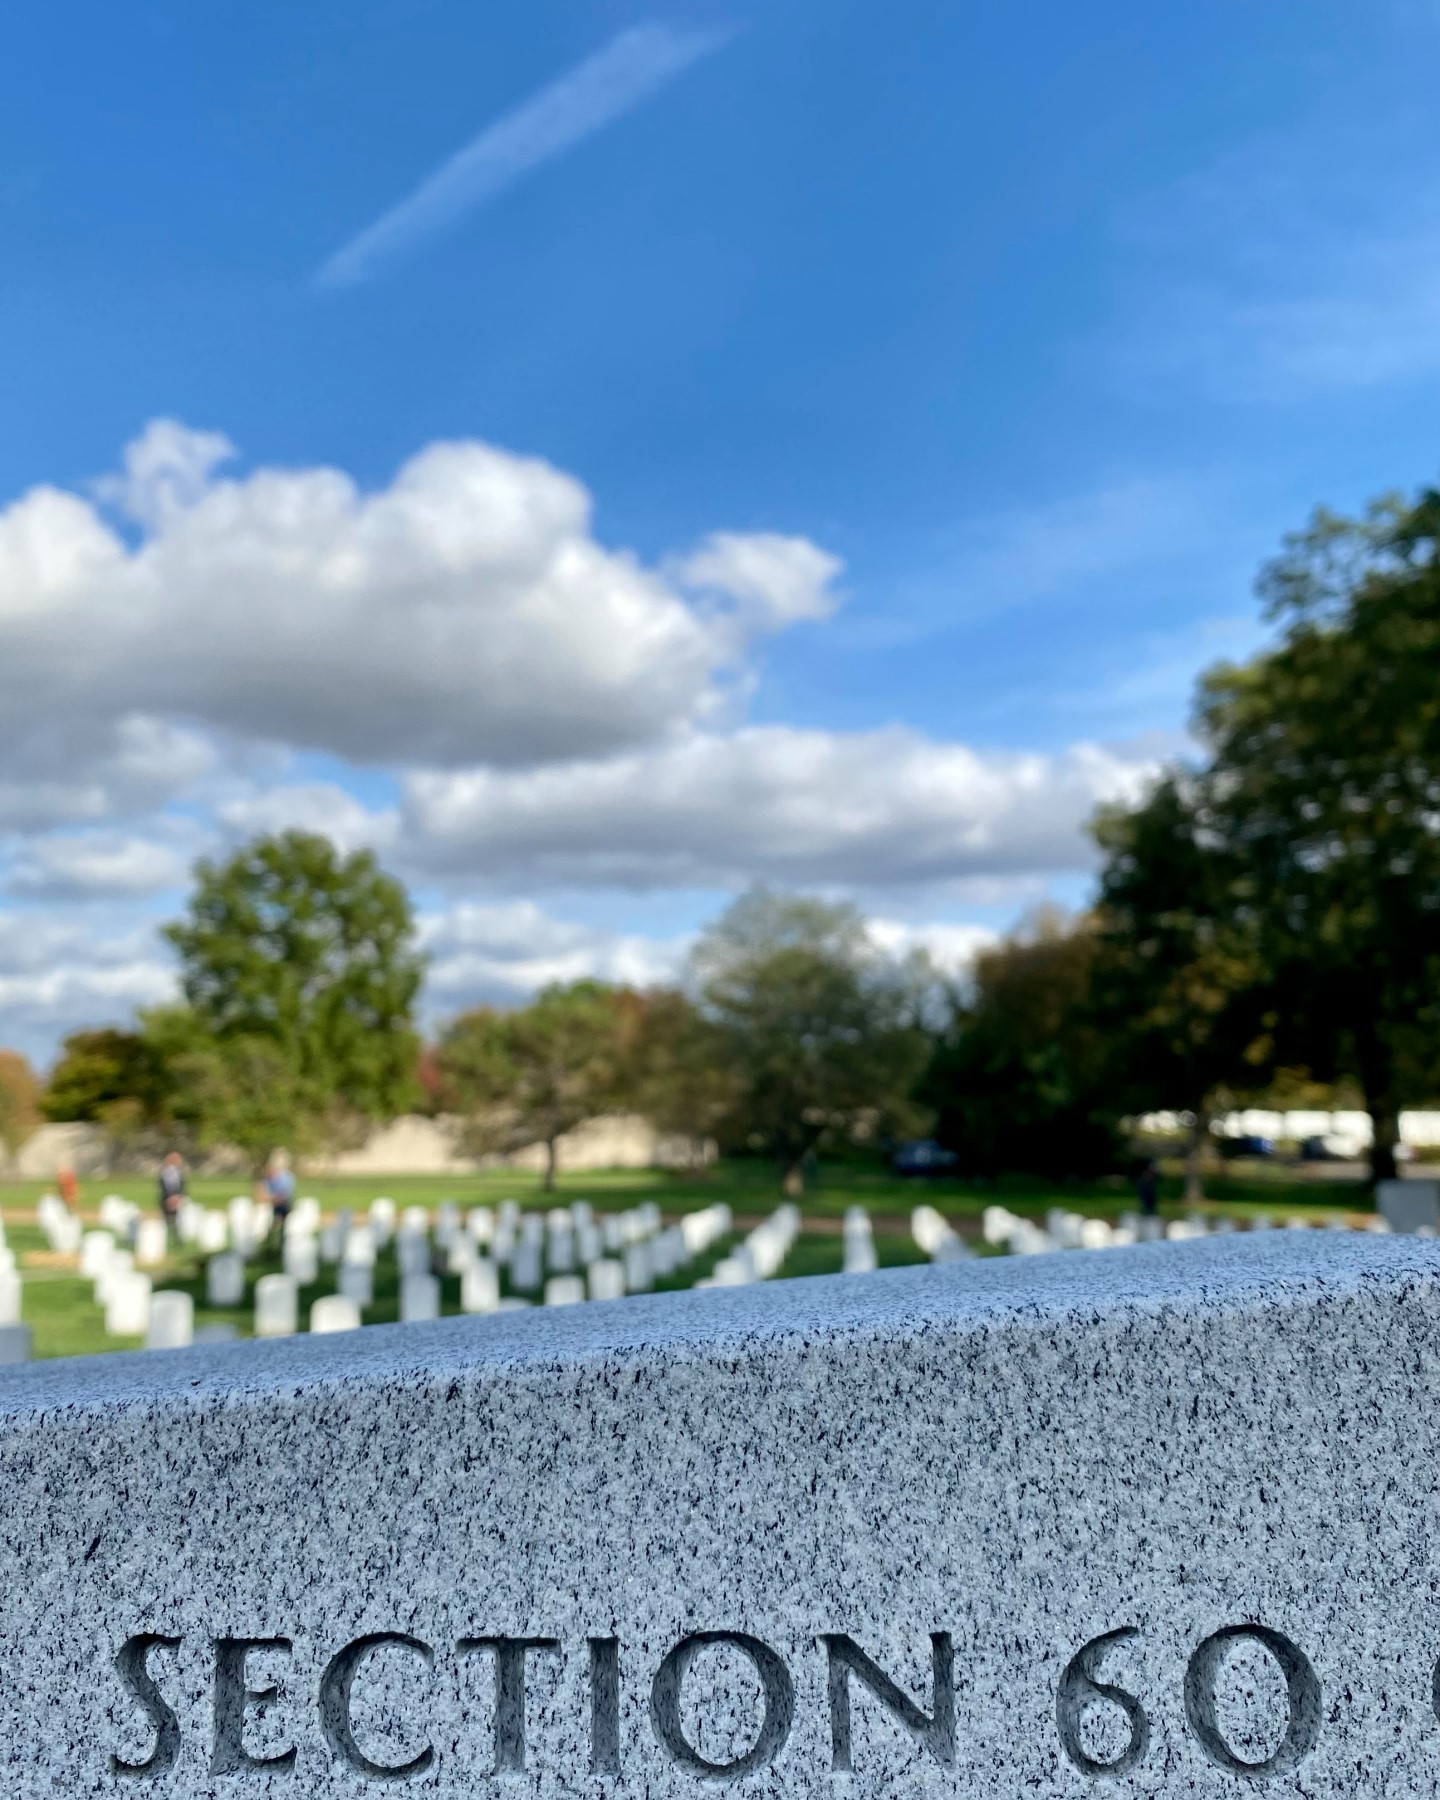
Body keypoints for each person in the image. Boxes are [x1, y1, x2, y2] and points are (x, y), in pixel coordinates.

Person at [263, 1148, 295, 1238]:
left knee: (280, 1218)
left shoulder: (286, 1177)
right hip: (272, 1203)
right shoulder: (269, 1178)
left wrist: (271, 1198)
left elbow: (284, 1195)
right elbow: (261, 1191)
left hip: (283, 1204)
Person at [157, 1150, 187, 1225]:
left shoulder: (177, 1171)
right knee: (169, 1217)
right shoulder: (167, 1171)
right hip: (168, 1197)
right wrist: (172, 1196)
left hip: (176, 1197)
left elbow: (181, 1185)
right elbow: (167, 1185)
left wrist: (181, 1195)